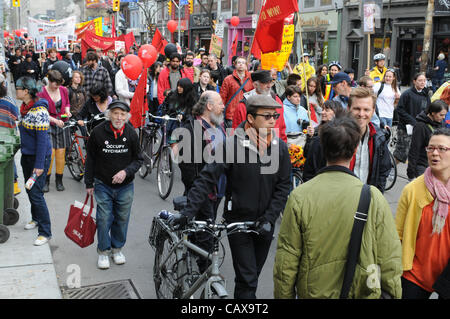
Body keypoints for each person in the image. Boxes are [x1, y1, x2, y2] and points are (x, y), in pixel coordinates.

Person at [169, 94, 291, 299]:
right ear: (251, 118)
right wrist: (188, 212)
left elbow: (283, 185)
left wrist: (270, 218)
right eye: (267, 116)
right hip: (239, 222)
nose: (273, 120)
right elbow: (206, 179)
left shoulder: (279, 148)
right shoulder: (231, 145)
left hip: (264, 225)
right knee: (248, 277)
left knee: (250, 278)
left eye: (275, 116)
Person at [274, 115, 402, 299]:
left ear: (323, 148)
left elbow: (286, 262)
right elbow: (389, 256)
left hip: (313, 291)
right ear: (355, 149)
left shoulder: (299, 196)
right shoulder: (372, 196)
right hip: (360, 290)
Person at [84, 100, 143, 269]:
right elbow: (90, 159)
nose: (118, 117)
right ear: (109, 114)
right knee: (103, 219)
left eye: (122, 114)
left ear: (126, 116)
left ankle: (117, 249)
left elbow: (138, 159)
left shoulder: (131, 133)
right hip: (102, 184)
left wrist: (126, 172)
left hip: (125, 186)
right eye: (115, 113)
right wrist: (89, 183)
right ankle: (103, 251)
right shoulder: (97, 132)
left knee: (122, 219)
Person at [396, 128, 450, 299]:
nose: (435, 153)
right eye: (430, 148)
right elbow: (398, 235)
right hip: (415, 275)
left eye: (442, 149)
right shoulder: (412, 190)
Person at [177, 91, 226, 272]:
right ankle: (205, 270)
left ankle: (194, 249)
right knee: (205, 228)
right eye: (220, 103)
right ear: (209, 106)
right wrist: (197, 188)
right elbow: (186, 166)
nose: (223, 106)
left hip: (218, 188)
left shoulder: (220, 126)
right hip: (202, 189)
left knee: (207, 226)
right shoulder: (191, 128)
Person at [15, 76, 53, 246]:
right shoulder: (25, 108)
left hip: (39, 158)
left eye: (18, 88)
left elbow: (42, 140)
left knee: (36, 194)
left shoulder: (39, 111)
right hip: (27, 156)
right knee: (30, 190)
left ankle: (45, 232)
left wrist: (39, 165)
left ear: (26, 91)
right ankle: (36, 218)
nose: (15, 90)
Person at [37, 70, 71, 192]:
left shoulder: (63, 90)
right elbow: (41, 111)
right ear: (49, 81)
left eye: (59, 83)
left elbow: (67, 103)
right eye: (55, 83)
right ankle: (46, 180)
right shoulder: (41, 92)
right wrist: (55, 121)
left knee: (61, 153)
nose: (57, 86)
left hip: (62, 123)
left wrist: (67, 111)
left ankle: (59, 180)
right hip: (48, 124)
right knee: (50, 154)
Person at [232, 70, 287, 142]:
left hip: (275, 146)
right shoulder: (243, 106)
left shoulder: (277, 100)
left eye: (270, 82)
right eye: (265, 83)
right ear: (255, 85)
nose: (269, 85)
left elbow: (282, 127)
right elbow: (237, 132)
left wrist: (283, 146)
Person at [394, 72, 431, 165]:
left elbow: (428, 110)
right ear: (414, 81)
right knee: (402, 153)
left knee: (417, 152)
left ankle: (413, 174)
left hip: (419, 128)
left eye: (424, 81)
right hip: (405, 128)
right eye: (420, 80)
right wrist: (412, 121)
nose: (423, 83)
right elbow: (399, 109)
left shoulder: (425, 95)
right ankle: (390, 169)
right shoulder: (407, 94)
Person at [303, 100, 346, 179]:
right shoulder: (316, 130)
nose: (322, 112)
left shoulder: (342, 133)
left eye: (327, 110)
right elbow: (306, 154)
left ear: (336, 112)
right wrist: (309, 137)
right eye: (322, 109)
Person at [407, 100, 448, 180]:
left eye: (445, 115)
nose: (443, 118)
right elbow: (414, 149)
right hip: (422, 165)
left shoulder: (440, 123)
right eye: (441, 115)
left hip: (437, 164)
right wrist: (411, 171)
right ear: (433, 113)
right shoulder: (420, 126)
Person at [0, 74, 20, 194]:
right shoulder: (10, 101)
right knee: (9, 162)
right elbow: (16, 117)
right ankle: (14, 185)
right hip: (9, 139)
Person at [219, 56, 253, 127]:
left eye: (243, 63)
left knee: (245, 137)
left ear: (246, 66)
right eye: (239, 62)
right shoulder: (228, 79)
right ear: (235, 65)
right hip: (231, 114)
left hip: (246, 113)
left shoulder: (251, 79)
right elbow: (222, 97)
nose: (241, 64)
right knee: (231, 136)